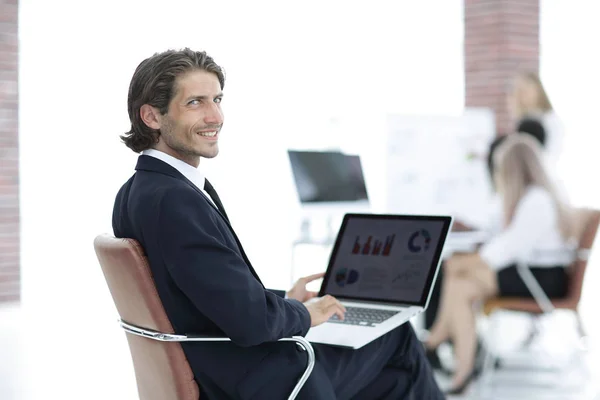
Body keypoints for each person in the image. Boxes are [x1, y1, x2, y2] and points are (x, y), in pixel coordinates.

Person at [112, 48, 444, 399]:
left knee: (390, 381)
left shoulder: (140, 190)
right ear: (151, 116)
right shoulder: (174, 200)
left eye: (217, 99)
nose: (215, 116)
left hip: (222, 364)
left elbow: (204, 293)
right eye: (195, 103)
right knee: (397, 337)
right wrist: (303, 313)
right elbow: (248, 320)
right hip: (257, 378)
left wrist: (285, 299)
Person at [423, 134, 575, 395]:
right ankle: (458, 367)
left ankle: (437, 341)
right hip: (529, 273)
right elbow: (498, 236)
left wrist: (466, 261)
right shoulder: (527, 197)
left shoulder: (537, 200)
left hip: (544, 279)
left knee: (455, 270)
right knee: (458, 281)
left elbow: (507, 249)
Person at [507, 71, 565, 170]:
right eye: (520, 91)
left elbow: (553, 153)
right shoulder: (522, 122)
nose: (523, 96)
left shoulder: (550, 120)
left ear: (538, 91)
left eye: (527, 90)